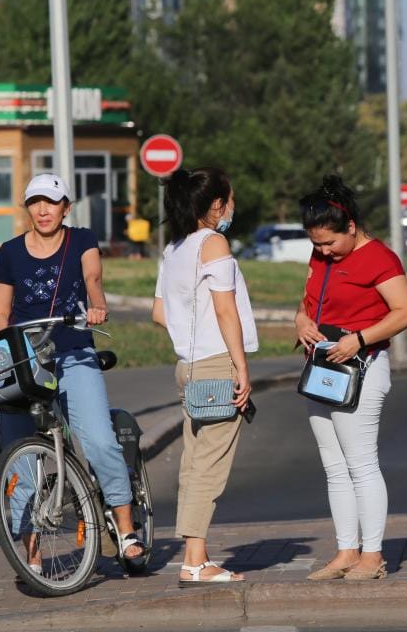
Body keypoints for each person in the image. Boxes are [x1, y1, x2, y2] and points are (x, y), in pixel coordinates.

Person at [0, 173, 146, 572]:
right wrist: (0, 350)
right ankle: (31, 550)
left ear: (65, 207)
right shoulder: (9, 252)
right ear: (27, 207)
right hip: (27, 360)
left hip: (74, 350)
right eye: (35, 202)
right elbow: (0, 312)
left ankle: (126, 529)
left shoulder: (81, 240)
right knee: (19, 458)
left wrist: (96, 305)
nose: (43, 210)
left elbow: (93, 279)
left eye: (51, 202)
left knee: (97, 439)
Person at [296, 175, 407, 581]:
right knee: (334, 466)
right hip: (323, 368)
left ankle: (373, 555)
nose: (323, 251)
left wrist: (359, 339)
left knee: (361, 463)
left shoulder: (379, 258)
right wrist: (301, 321)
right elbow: (309, 301)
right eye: (316, 244)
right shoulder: (321, 258)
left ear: (351, 227)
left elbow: (405, 311)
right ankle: (346, 550)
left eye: (329, 242)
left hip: (362, 366)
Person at [152, 167, 257, 585]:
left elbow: (159, 313)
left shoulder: (174, 249)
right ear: (215, 205)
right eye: (229, 200)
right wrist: (241, 367)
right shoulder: (213, 243)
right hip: (217, 363)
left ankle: (197, 555)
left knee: (194, 463)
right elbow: (224, 309)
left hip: (189, 366)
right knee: (210, 466)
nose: (232, 207)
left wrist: (187, 335)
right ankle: (194, 562)